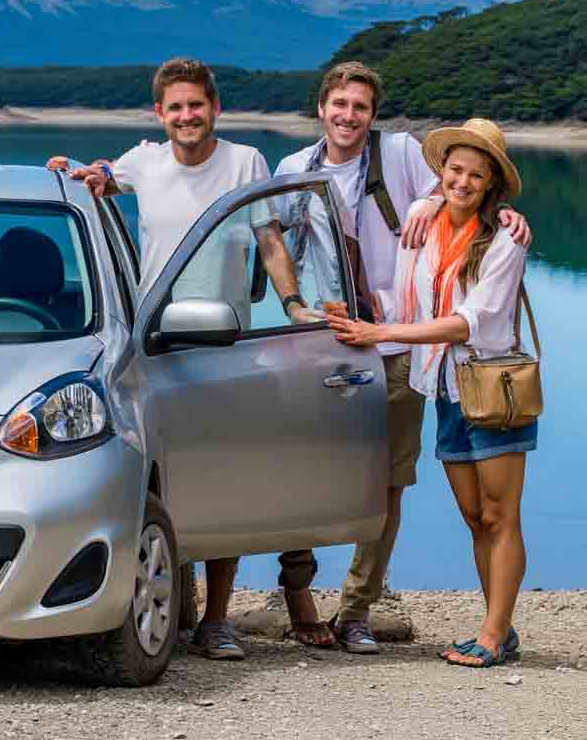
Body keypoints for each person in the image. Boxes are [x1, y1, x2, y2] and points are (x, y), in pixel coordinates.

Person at [47, 57, 333, 659]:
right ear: (159, 114)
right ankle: (172, 604)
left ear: (214, 108)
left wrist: (296, 304)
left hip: (226, 347)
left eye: (195, 106)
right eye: (174, 107)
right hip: (153, 351)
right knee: (163, 485)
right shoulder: (143, 162)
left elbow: (270, 240)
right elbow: (99, 178)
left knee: (225, 482)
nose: (186, 117)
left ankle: (219, 619)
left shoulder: (244, 163)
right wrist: (73, 171)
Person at [274, 63, 530, 656]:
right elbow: (272, 240)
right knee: (304, 472)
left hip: (408, 354)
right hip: (338, 345)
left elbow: (458, 196)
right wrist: (295, 306)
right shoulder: (294, 171)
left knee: (392, 483)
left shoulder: (403, 154)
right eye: (339, 104)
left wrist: (455, 204)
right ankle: (299, 601)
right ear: (321, 108)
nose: (348, 116)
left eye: (360, 106)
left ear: (372, 113)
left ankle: (361, 609)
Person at [328, 118, 533, 668]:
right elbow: (406, 302)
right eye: (455, 169)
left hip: (491, 385)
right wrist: (358, 316)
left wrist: (383, 334)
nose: (462, 181)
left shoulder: (505, 237)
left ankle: (492, 635)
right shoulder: (425, 225)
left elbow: (470, 321)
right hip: (442, 386)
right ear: (441, 170)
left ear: (492, 185)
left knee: (500, 515)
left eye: (476, 175)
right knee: (473, 515)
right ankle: (501, 628)